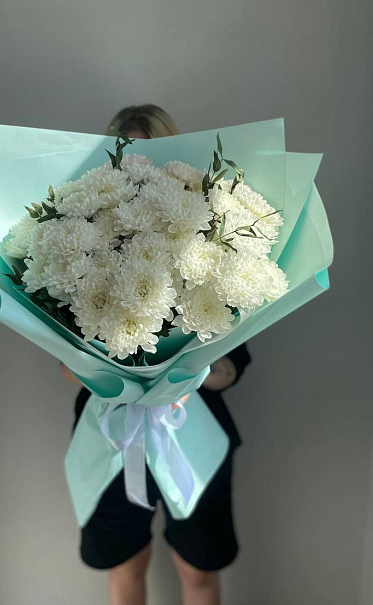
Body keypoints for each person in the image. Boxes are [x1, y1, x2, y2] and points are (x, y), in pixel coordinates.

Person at [60, 104, 252, 605]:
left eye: (152, 153)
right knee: (125, 568)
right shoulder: (80, 245)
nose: (139, 168)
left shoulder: (213, 242)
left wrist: (186, 372)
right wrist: (110, 368)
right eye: (126, 155)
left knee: (199, 570)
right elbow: (65, 365)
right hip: (111, 432)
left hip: (195, 427)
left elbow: (231, 368)